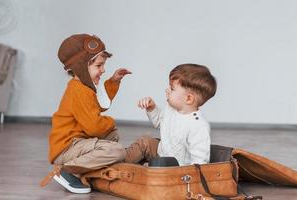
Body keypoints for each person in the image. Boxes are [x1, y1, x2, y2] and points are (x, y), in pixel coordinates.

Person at [46, 34, 131, 193]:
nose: (103, 70)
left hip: (78, 142)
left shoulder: (84, 87)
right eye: (99, 66)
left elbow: (98, 104)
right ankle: (69, 171)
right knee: (117, 150)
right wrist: (111, 121)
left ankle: (88, 169)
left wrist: (113, 81)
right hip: (66, 148)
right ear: (81, 66)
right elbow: (95, 128)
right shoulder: (78, 90)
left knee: (112, 136)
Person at [125, 63, 216, 166]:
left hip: (178, 168)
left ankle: (147, 169)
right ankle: (120, 165)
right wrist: (152, 108)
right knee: (144, 141)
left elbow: (200, 159)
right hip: (161, 152)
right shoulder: (171, 108)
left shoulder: (198, 125)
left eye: (172, 89)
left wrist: (190, 175)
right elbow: (160, 122)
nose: (167, 90)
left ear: (188, 98)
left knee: (159, 165)